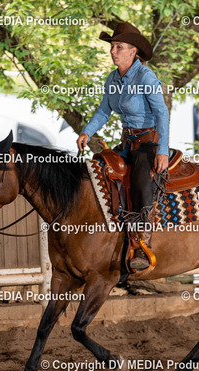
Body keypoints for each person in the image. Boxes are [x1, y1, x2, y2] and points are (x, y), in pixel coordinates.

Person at [76, 22, 170, 271]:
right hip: (128, 143)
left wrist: (162, 150)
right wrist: (87, 131)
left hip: (148, 143)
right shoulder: (113, 78)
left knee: (141, 181)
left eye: (119, 47)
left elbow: (162, 113)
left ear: (133, 51)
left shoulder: (145, 77)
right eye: (112, 46)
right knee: (98, 169)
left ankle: (142, 244)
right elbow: (104, 110)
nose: (113, 51)